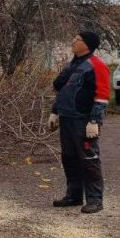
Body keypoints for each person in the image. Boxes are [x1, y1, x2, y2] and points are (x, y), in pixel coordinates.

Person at [48, 31, 110, 214]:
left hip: (84, 121)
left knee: (89, 159)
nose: (73, 41)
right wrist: (54, 112)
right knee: (69, 158)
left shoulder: (96, 65)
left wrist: (94, 121)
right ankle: (74, 195)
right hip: (67, 118)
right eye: (74, 38)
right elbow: (64, 91)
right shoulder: (72, 64)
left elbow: (102, 96)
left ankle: (95, 200)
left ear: (87, 44)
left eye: (78, 39)